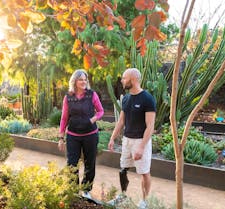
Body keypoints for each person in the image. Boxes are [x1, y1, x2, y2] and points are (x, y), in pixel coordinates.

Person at [108, 68, 156, 209]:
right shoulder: (127, 98)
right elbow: (121, 121)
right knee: (123, 169)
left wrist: (141, 147)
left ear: (133, 79)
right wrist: (112, 138)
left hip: (141, 141)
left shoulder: (147, 98)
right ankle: (122, 196)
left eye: (124, 78)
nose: (122, 80)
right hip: (127, 140)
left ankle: (144, 201)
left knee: (144, 172)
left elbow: (150, 126)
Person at [58, 69, 104, 198]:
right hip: (73, 136)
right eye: (81, 79)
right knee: (71, 163)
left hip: (90, 135)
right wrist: (61, 137)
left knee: (90, 163)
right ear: (75, 81)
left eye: (85, 79)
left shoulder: (92, 95)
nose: (84, 82)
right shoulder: (68, 97)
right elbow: (64, 117)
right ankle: (73, 191)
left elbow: (100, 111)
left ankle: (86, 190)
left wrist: (92, 119)